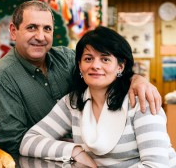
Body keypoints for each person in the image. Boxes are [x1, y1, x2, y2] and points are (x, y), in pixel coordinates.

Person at [0, 0, 161, 154]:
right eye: (32, 27)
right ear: (13, 31)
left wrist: (137, 78)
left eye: (47, 29)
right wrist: (75, 150)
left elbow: (105, 69)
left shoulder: (68, 58)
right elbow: (13, 142)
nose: (40, 36)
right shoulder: (1, 78)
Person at [19, 26, 176, 167]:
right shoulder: (72, 102)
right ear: (80, 65)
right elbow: (28, 141)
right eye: (88, 58)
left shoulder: (140, 100)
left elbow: (156, 165)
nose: (95, 65)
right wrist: (75, 151)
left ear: (120, 66)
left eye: (105, 59)